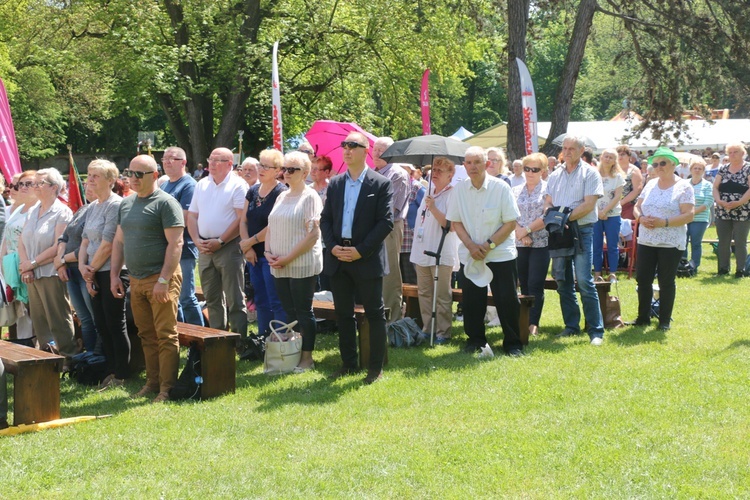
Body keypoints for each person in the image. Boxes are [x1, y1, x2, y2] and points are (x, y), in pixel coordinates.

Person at [321, 132, 393, 384]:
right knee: (343, 314)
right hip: (339, 256)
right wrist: (332, 247)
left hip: (366, 257)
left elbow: (385, 223)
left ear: (366, 151)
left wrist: (360, 250)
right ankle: (348, 364)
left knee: (374, 313)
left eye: (353, 145)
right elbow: (326, 219)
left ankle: (375, 368)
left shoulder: (380, 183)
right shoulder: (336, 183)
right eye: (345, 145)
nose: (347, 149)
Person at [111, 155, 184, 403]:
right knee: (146, 334)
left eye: (138, 174)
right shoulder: (126, 204)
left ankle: (167, 388)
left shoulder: (166, 203)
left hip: (160, 279)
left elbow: (176, 243)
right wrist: (114, 274)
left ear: (154, 175)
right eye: (129, 173)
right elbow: (119, 241)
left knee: (165, 334)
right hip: (136, 279)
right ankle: (152, 383)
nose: (132, 178)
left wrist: (164, 280)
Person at [447, 146, 522, 357]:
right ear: (464, 165)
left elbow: (510, 222)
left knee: (506, 299)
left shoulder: (501, 188)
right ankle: (475, 341)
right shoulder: (459, 190)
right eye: (468, 162)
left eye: (477, 162)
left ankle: (513, 344)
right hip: (470, 253)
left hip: (499, 253)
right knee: (472, 300)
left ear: (486, 164)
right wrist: (471, 246)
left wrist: (488, 245)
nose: (472, 166)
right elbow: (456, 221)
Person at [544, 135, 605, 345]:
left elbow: (589, 205)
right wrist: (553, 218)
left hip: (582, 229)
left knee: (584, 280)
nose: (567, 151)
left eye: (572, 148)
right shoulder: (555, 174)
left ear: (582, 151)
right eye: (565, 148)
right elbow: (548, 201)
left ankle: (596, 331)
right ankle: (571, 326)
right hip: (560, 231)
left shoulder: (590, 173)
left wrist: (564, 218)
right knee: (562, 280)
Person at [265, 151, 323, 372]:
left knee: (303, 311)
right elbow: (271, 226)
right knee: (288, 312)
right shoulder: (281, 195)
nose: (286, 173)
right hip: (278, 262)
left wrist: (288, 258)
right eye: (284, 169)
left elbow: (312, 235)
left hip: (301, 263)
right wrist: (268, 251)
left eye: (292, 169)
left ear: (305, 173)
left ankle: (307, 357)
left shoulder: (310, 196)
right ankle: (293, 352)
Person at [628, 147, 694, 330]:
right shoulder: (650, 184)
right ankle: (643, 317)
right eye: (655, 164)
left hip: (671, 242)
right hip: (647, 240)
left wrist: (663, 222)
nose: (658, 167)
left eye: (662, 163)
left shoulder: (684, 186)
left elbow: (689, 215)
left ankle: (664, 320)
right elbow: (637, 207)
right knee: (643, 279)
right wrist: (640, 218)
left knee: (666, 281)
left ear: (673, 164)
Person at [79, 159, 130, 389]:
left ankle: (121, 373)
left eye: (96, 175)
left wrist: (91, 271)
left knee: (114, 323)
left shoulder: (115, 205)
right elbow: (85, 241)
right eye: (89, 174)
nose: (90, 179)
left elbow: (109, 244)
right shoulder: (93, 206)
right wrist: (83, 267)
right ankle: (109, 369)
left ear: (110, 180)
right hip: (93, 271)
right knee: (101, 323)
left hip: (112, 272)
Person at [188, 147, 249, 336]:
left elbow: (241, 219)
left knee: (234, 297)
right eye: (210, 159)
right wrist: (196, 240)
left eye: (218, 160)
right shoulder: (202, 184)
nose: (212, 164)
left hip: (229, 247)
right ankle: (218, 340)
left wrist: (221, 241)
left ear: (230, 164)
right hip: (205, 247)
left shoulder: (238, 185)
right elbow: (191, 215)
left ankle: (239, 342)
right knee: (212, 298)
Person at [18, 169, 76, 360]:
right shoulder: (34, 209)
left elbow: (57, 245)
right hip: (32, 273)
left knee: (58, 318)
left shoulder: (62, 212)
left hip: (50, 272)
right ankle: (46, 358)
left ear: (54, 187)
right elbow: (22, 239)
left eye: (39, 183)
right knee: (39, 319)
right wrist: (26, 265)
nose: (34, 186)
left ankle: (68, 358)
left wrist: (31, 264)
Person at [409, 156, 458, 344]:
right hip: (422, 250)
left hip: (441, 251)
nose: (434, 173)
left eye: (440, 170)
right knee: (425, 292)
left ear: (450, 174)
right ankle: (428, 329)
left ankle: (443, 332)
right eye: (434, 170)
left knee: (442, 294)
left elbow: (451, 225)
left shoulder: (452, 194)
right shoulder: (429, 191)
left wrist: (434, 207)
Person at [240, 149, 288, 337]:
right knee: (260, 298)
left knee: (275, 299)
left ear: (277, 170)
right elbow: (243, 220)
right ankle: (263, 339)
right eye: (260, 164)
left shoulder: (281, 192)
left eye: (266, 166)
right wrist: (247, 247)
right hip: (253, 255)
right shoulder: (252, 191)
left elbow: (273, 225)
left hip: (271, 254)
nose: (261, 169)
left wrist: (249, 242)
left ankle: (281, 342)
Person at [161, 147, 204, 326]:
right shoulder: (164, 185)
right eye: (165, 158)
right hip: (166, 248)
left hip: (183, 248)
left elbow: (185, 218)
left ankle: (200, 342)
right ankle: (180, 336)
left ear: (184, 163)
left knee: (186, 297)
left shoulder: (188, 185)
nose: (167, 161)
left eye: (173, 158)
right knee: (172, 297)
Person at [56, 181, 99, 354]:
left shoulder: (99, 212)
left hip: (86, 270)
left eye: (92, 183)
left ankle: (100, 357)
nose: (87, 186)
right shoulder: (82, 210)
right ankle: (89, 357)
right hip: (71, 271)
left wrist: (62, 259)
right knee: (84, 318)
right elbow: (63, 237)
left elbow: (87, 245)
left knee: (95, 317)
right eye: (87, 183)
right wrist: (60, 261)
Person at [513, 152, 550, 338]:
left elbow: (546, 216)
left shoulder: (548, 190)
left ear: (542, 171)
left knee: (536, 284)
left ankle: (534, 323)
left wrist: (526, 230)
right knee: (523, 283)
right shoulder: (515, 190)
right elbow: (509, 214)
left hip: (541, 242)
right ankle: (524, 320)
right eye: (527, 168)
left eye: (534, 169)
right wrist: (520, 232)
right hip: (519, 242)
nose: (530, 172)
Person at [372, 136, 409, 322]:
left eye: (382, 150)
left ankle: (393, 320)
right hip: (370, 229)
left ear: (392, 153)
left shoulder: (397, 174)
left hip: (389, 228)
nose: (377, 153)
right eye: (375, 149)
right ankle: (377, 317)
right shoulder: (370, 173)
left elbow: (389, 209)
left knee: (389, 274)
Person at [1, 171, 38, 345]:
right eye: (18, 185)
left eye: (26, 184)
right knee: (16, 311)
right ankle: (18, 349)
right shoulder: (16, 209)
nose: (20, 188)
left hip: (26, 265)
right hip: (10, 266)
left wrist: (25, 265)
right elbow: (6, 240)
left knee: (30, 312)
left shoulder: (36, 209)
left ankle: (34, 351)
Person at [712, 142, 750, 277]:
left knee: (740, 242)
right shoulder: (723, 169)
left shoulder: (748, 168)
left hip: (743, 210)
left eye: (736, 152)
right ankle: (723, 269)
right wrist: (718, 201)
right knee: (723, 241)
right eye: (730, 152)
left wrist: (739, 202)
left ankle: (741, 270)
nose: (733, 155)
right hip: (723, 210)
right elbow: (715, 187)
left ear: (742, 153)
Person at [593, 149, 625, 283]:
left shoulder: (617, 177)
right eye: (606, 156)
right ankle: (597, 274)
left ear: (614, 161)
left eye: (611, 157)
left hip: (612, 215)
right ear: (601, 157)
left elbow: (618, 196)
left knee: (612, 245)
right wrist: (598, 212)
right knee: (596, 245)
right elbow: (589, 195)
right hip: (594, 214)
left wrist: (604, 211)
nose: (607, 159)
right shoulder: (593, 174)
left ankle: (612, 273)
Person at [685, 159, 714, 272]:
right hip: (683, 218)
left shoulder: (708, 185)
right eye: (695, 168)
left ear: (703, 171)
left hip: (700, 219)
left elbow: (708, 203)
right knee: (683, 242)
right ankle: (682, 264)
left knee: (696, 243)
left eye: (700, 168)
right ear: (691, 170)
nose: (697, 170)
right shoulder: (684, 183)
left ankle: (694, 266)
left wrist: (692, 212)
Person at [400, 164, 425, 285]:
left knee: (412, 280)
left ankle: (414, 304)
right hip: (395, 239)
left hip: (410, 240)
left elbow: (426, 211)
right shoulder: (394, 185)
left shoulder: (416, 187)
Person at [617, 145, 643, 220]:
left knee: (626, 230)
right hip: (611, 205)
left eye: (623, 154)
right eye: (618, 154)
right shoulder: (612, 169)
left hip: (628, 206)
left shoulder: (634, 170)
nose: (620, 156)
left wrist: (621, 202)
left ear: (629, 156)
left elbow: (637, 190)